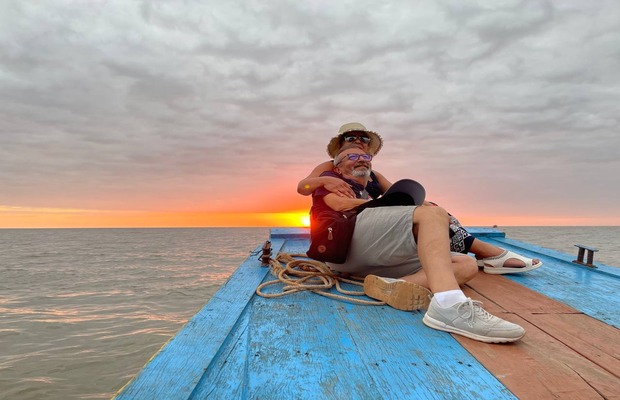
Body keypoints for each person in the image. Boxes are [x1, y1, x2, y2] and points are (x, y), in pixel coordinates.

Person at [311, 146, 526, 343]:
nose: (361, 160)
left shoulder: (373, 186)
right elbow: (338, 205)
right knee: (433, 215)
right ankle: (448, 305)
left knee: (465, 264)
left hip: (368, 254)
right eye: (352, 156)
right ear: (337, 168)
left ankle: (391, 286)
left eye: (366, 157)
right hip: (343, 243)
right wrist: (391, 205)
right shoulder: (333, 182)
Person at [299, 122, 542, 275]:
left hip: (370, 231)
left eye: (363, 140)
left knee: (434, 211)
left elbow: (399, 194)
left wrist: (421, 205)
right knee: (426, 215)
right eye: (351, 140)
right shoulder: (330, 169)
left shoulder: (373, 174)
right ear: (340, 146)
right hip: (345, 235)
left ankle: (408, 281)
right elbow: (304, 188)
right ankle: (487, 253)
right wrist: (322, 180)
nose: (359, 145)